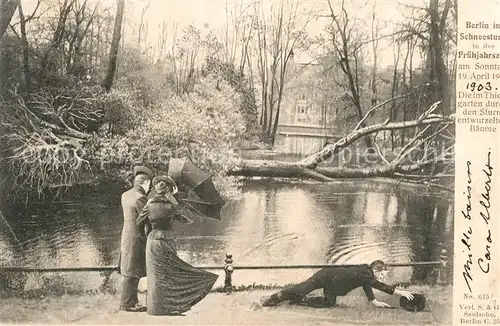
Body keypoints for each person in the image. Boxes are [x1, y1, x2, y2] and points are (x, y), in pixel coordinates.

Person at [136, 175, 219, 316]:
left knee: (155, 275)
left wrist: (151, 222)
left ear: (156, 189)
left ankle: (155, 309)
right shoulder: (172, 206)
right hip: (168, 240)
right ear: (168, 190)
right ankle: (169, 306)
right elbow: (185, 220)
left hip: (152, 242)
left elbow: (139, 221)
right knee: (169, 274)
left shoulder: (149, 203)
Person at [261, 260, 414, 308]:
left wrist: (373, 300)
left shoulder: (366, 274)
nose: (382, 278)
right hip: (326, 276)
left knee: (329, 303)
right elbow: (380, 286)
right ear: (375, 270)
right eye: (381, 274)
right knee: (301, 288)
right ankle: (274, 298)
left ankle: (301, 301)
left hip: (334, 285)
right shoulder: (367, 273)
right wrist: (401, 293)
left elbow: (368, 285)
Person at [118, 165, 154, 312]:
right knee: (133, 272)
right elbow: (146, 219)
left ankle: (133, 301)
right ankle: (127, 304)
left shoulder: (125, 195)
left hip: (126, 235)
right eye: (149, 184)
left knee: (129, 269)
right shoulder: (141, 198)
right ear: (145, 183)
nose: (149, 187)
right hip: (136, 237)